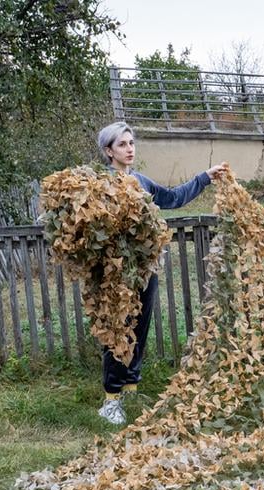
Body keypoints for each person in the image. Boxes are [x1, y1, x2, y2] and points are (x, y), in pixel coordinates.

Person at [96, 121, 228, 424]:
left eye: (131, 143)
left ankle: (131, 386)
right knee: (118, 331)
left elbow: (172, 198)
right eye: (122, 145)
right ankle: (110, 400)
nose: (129, 149)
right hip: (114, 273)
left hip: (145, 269)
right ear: (108, 151)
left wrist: (204, 178)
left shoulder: (140, 181)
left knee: (140, 328)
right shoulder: (99, 185)